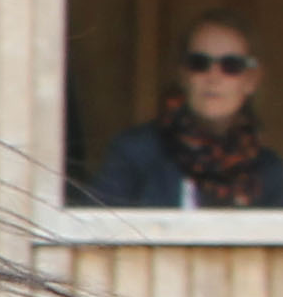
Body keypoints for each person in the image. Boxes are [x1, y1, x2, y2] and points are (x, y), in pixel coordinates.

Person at [87, 13, 283, 208]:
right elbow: (97, 232)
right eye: (199, 63)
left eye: (231, 66)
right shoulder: (134, 153)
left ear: (251, 80)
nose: (213, 77)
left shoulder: (270, 171)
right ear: (182, 75)